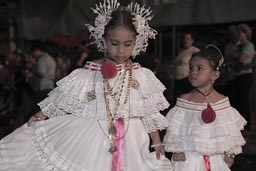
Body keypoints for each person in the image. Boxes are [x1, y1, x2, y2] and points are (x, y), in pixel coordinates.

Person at [0, 1, 173, 171]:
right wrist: (40, 115)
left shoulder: (141, 75)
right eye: (114, 43)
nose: (121, 50)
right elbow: (64, 98)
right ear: (104, 41)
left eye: (127, 44)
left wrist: (156, 141)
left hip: (132, 138)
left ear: (136, 42)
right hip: (93, 138)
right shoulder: (89, 72)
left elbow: (149, 112)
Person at [163, 44, 247, 171]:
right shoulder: (185, 99)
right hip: (189, 159)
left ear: (214, 75)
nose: (193, 73)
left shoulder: (222, 101)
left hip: (216, 158)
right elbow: (176, 127)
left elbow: (230, 130)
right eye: (191, 68)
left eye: (199, 68)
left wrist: (230, 152)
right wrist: (177, 148)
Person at [234, 23, 255, 131]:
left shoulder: (248, 45)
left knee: (244, 100)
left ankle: (247, 125)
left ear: (245, 33)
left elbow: (240, 61)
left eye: (239, 32)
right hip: (238, 75)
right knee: (239, 100)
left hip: (245, 75)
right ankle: (242, 123)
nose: (237, 34)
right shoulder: (239, 46)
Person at [173, 32, 200, 103]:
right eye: (184, 39)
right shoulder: (181, 51)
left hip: (187, 79)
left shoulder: (194, 50)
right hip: (177, 79)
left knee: (187, 101)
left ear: (192, 40)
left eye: (188, 39)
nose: (186, 40)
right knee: (177, 101)